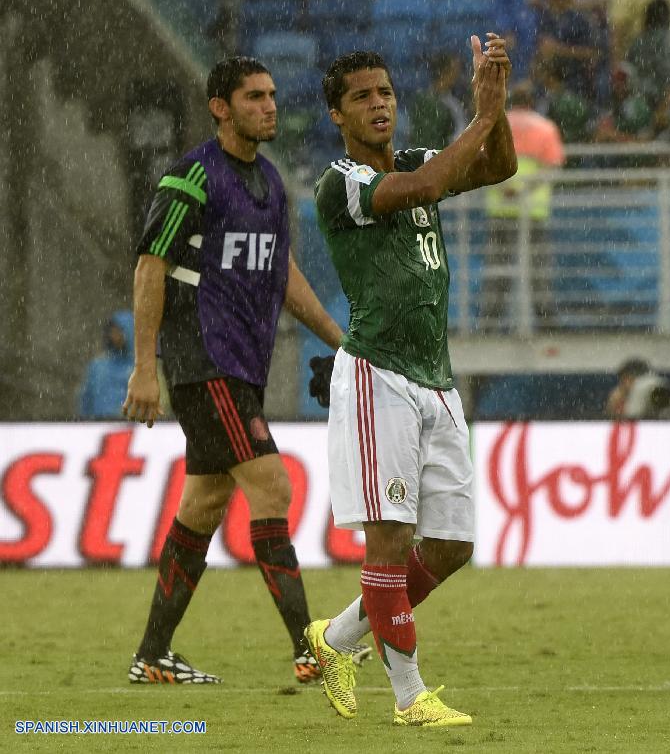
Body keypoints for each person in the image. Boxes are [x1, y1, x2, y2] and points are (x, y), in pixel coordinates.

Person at [123, 56, 358, 686]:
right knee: (272, 487)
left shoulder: (274, 185)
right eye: (254, 97)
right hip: (205, 360)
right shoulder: (191, 180)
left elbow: (283, 277)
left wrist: (344, 342)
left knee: (204, 503)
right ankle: (312, 650)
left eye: (273, 95)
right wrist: (144, 368)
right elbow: (151, 267)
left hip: (241, 364)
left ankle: (152, 654)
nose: (270, 106)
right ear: (220, 107)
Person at [304, 40, 516, 727]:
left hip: (437, 378)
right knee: (390, 540)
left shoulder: (423, 157)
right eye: (363, 96)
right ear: (338, 115)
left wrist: (497, 103)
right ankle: (408, 697)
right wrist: (480, 119)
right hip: (379, 375)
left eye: (386, 92)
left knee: (452, 546)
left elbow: (502, 165)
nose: (380, 104)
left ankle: (334, 639)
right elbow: (420, 192)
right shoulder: (341, 182)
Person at [480, 81, 565, 328]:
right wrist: (525, 191)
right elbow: (552, 169)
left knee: (497, 271)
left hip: (501, 210)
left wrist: (505, 190)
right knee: (538, 270)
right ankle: (545, 319)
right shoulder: (546, 128)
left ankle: (490, 321)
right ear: (532, 102)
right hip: (533, 211)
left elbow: (482, 164)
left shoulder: (494, 126)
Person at [78, 310, 135, 419]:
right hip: (97, 426)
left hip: (130, 428)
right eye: (112, 331)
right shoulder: (97, 366)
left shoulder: (140, 368)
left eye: (119, 331)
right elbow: (85, 399)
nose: (114, 335)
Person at [407, 53, 469, 150]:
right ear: (445, 72)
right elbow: (427, 142)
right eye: (455, 70)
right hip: (446, 158)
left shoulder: (452, 99)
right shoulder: (427, 102)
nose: (458, 75)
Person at [606, 358, 670, 418]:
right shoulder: (661, 382)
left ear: (629, 378)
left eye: (623, 379)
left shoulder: (641, 386)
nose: (621, 384)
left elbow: (631, 418)